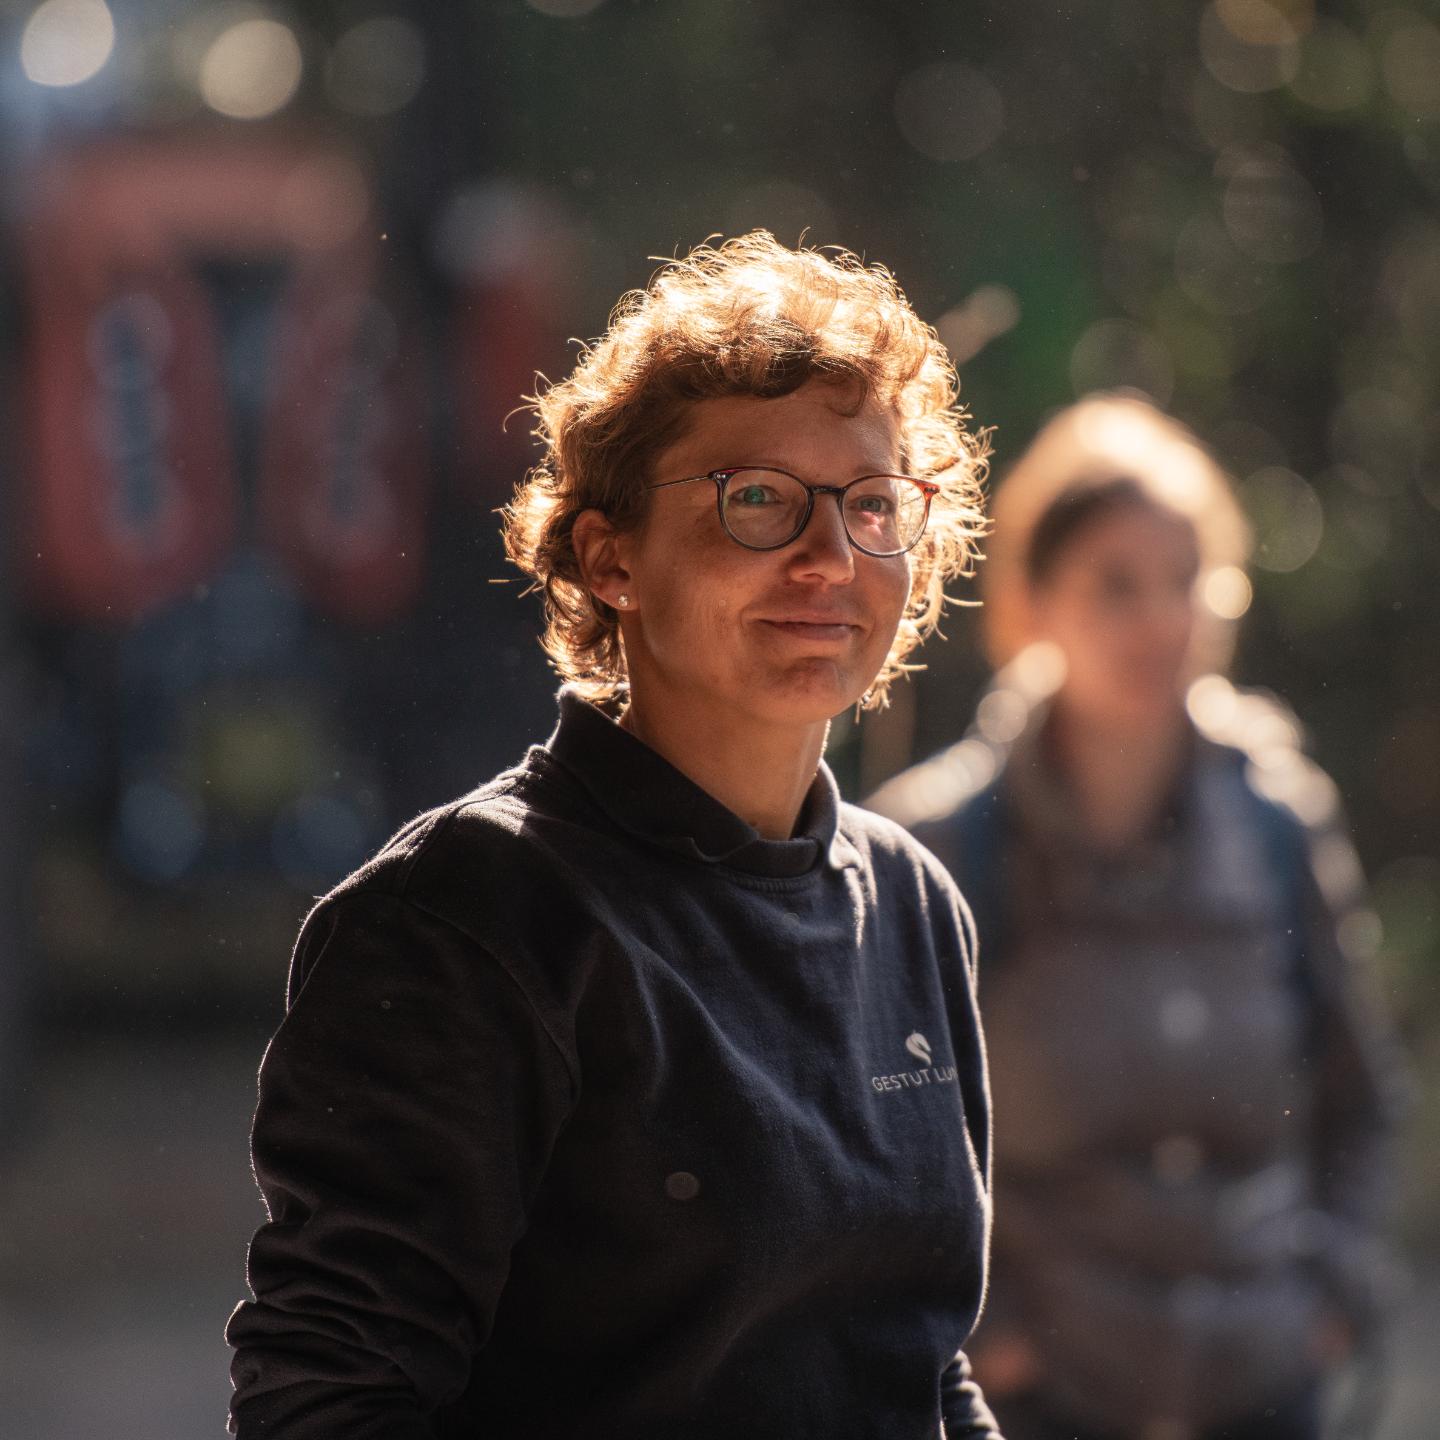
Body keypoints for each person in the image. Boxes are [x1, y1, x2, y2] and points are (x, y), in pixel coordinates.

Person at [225, 232, 1006, 1438]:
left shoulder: (911, 901)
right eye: (758, 500)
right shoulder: (465, 917)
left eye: (871, 503)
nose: (829, 557)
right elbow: (330, 1396)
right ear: (609, 556)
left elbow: (921, 1369)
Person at [869, 394, 1406, 1440]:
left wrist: (1331, 1297)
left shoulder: (1281, 822)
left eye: (1186, 580)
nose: (1161, 619)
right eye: (1116, 584)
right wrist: (989, 1338)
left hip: (1266, 1390)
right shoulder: (938, 842)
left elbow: (1362, 1097)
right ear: (1030, 603)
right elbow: (886, 1143)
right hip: (1039, 1406)